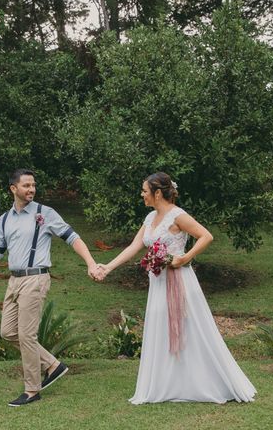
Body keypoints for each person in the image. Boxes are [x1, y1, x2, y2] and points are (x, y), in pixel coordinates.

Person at [96, 172, 257, 404]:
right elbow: (135, 246)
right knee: (162, 328)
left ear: (157, 193)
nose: (142, 195)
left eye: (144, 191)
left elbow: (206, 236)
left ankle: (204, 383)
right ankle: (168, 384)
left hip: (180, 280)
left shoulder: (177, 216)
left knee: (190, 329)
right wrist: (108, 267)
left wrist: (185, 258)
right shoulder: (150, 218)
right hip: (158, 282)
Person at [0, 169, 100, 407]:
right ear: (13, 188)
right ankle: (53, 365)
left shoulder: (45, 213)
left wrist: (91, 263)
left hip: (36, 278)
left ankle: (32, 390)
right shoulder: (5, 219)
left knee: (26, 334)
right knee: (8, 332)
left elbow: (72, 237)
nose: (31, 189)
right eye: (26, 186)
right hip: (14, 280)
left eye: (33, 185)